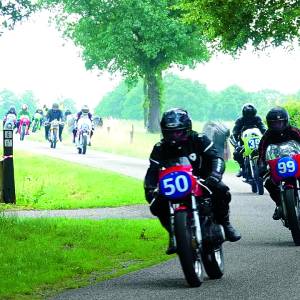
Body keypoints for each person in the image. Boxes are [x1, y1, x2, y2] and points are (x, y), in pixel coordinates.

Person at [144, 108, 241, 255]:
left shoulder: (199, 139)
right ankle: (173, 233)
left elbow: (216, 158)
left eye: (178, 132)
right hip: (174, 186)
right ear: (164, 132)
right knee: (156, 206)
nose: (174, 136)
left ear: (187, 129)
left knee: (222, 190)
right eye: (170, 133)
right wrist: (150, 189)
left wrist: (215, 174)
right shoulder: (159, 148)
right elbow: (152, 171)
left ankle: (225, 224)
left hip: (202, 180)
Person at [258, 106, 300, 220]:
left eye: (280, 122)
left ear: (286, 121)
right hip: (276, 166)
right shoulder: (267, 135)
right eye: (274, 123)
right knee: (268, 183)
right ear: (269, 124)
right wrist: (261, 163)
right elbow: (261, 150)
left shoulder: (294, 131)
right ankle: (279, 204)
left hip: (295, 161)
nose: (278, 125)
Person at [231, 103, 267, 177]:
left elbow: (263, 128)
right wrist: (236, 145)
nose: (249, 116)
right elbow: (234, 133)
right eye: (247, 114)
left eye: (251, 114)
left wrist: (266, 136)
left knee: (267, 150)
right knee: (236, 153)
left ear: (254, 113)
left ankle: (265, 166)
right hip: (243, 142)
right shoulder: (240, 121)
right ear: (244, 114)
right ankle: (242, 167)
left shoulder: (257, 119)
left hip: (257, 140)